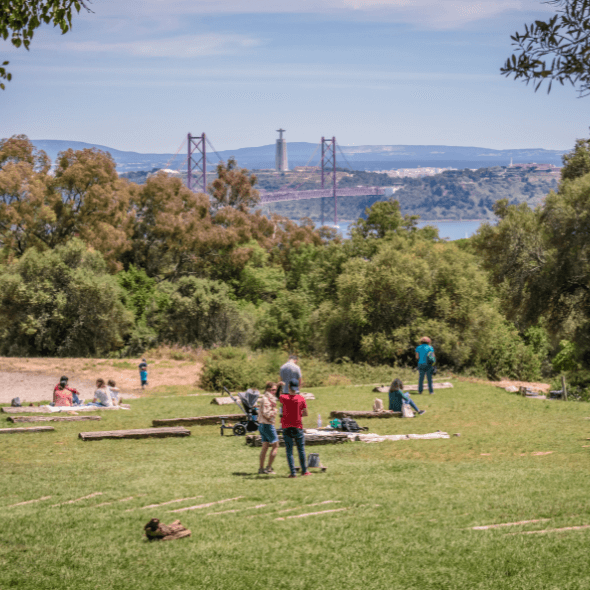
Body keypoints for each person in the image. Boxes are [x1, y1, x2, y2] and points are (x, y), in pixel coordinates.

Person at [280, 378, 310, 478]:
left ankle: (293, 473)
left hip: (286, 426)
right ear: (298, 387)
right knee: (301, 449)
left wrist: (280, 385)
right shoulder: (301, 398)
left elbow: (277, 395)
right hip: (298, 426)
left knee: (289, 451)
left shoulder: (284, 398)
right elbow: (306, 413)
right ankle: (304, 471)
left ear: (289, 387)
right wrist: (298, 414)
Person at [257, 381, 281, 475]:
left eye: (275, 390)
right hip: (267, 425)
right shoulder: (266, 399)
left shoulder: (267, 398)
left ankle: (261, 468)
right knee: (275, 446)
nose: (274, 391)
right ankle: (268, 467)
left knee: (265, 447)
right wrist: (275, 411)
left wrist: (279, 384)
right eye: (273, 390)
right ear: (268, 389)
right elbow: (266, 414)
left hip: (262, 425)